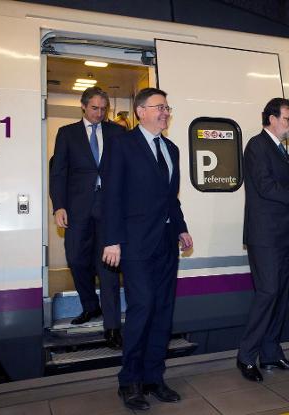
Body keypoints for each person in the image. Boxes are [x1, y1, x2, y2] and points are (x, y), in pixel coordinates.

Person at [102, 87, 193, 410]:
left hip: (166, 243)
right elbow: (111, 194)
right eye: (159, 107)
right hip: (135, 243)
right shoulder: (121, 144)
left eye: (168, 107)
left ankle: (155, 377)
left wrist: (180, 227)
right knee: (143, 308)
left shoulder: (171, 148)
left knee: (163, 312)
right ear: (140, 111)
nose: (166, 112)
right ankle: (130, 381)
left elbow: (171, 197)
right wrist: (111, 239)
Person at [237, 97, 289, 382]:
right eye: (288, 118)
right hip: (266, 235)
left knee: (281, 294)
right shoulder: (257, 146)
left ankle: (271, 353)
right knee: (268, 293)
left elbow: (287, 184)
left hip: (284, 234)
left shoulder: (280, 150)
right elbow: (266, 187)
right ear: (271, 118)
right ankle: (246, 355)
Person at [49, 86, 124, 349]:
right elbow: (58, 172)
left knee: (109, 267)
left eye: (104, 109)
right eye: (94, 108)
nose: (99, 113)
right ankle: (90, 306)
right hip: (78, 209)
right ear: (83, 106)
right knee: (77, 259)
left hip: (109, 209)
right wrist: (59, 206)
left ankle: (112, 326)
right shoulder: (67, 134)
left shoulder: (117, 132)